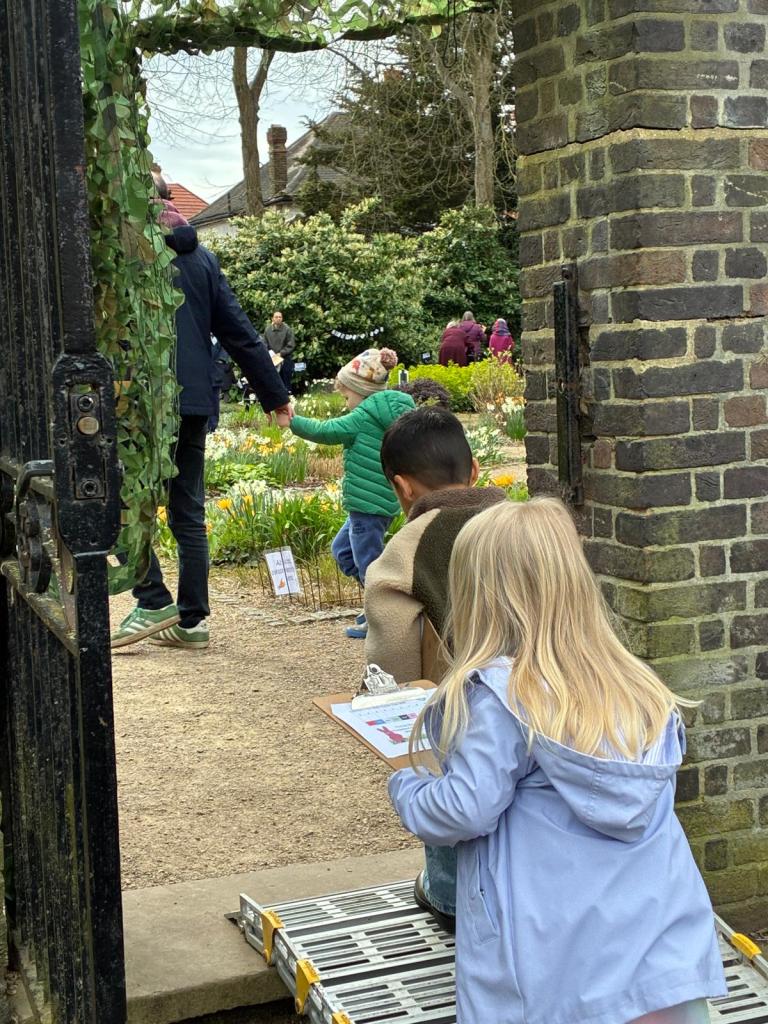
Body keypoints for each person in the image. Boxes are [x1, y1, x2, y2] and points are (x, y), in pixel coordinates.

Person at [389, 497, 727, 1024]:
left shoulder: (499, 697)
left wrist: (406, 788)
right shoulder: (634, 687)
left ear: (479, 596)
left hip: (555, 977)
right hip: (660, 965)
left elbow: (463, 810)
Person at [111, 188, 292, 651]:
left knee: (119, 500)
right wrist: (275, 395)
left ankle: (152, 599)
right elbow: (240, 333)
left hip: (143, 401)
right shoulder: (203, 260)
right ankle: (191, 621)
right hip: (193, 401)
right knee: (187, 510)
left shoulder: (127, 252)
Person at [364, 406, 507, 931]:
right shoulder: (520, 521)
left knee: (449, 784)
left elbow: (393, 640)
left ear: (401, 487)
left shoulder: (410, 543)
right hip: (545, 689)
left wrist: (399, 709)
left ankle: (447, 897)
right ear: (473, 470)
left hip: (463, 698)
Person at [281, 348, 415, 639]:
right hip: (378, 502)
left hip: (366, 504)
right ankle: (379, 602)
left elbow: (325, 431)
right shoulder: (390, 412)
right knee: (342, 551)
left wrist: (292, 422)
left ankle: (383, 616)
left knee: (368, 562)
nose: (346, 402)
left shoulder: (364, 415)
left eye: (346, 396)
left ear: (360, 390)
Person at [264, 311, 296, 392]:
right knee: (274, 381)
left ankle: (288, 397)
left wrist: (281, 353)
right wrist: (270, 353)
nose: (278, 318)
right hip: (273, 359)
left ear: (282, 318)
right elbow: (265, 344)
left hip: (285, 358)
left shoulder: (287, 329)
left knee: (286, 380)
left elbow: (291, 345)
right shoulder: (267, 330)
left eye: (280, 317)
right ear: (272, 318)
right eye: (276, 317)